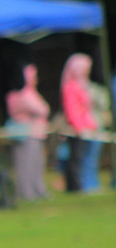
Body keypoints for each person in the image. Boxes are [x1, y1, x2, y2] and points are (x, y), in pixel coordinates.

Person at [5, 64, 51, 201]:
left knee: (36, 164)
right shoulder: (20, 95)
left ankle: (37, 189)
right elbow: (43, 109)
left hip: (36, 133)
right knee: (25, 165)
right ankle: (26, 192)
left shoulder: (30, 93)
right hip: (26, 134)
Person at [60, 53, 95, 193]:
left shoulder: (82, 85)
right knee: (76, 158)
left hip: (86, 128)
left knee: (83, 158)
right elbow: (72, 110)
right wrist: (79, 126)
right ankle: (75, 186)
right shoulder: (70, 86)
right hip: (77, 129)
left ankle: (85, 183)